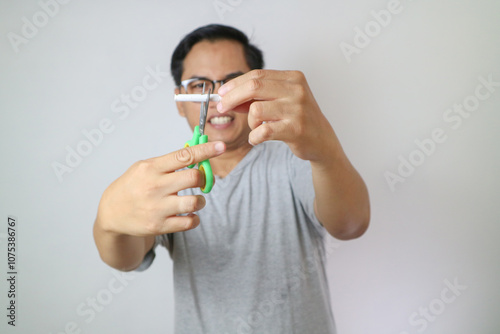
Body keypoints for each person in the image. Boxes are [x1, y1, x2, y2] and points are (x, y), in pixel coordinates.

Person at [93, 24, 370, 333]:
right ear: (180, 99)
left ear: (256, 90)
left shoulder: (297, 159)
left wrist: (326, 151)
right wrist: (108, 225)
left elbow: (350, 224)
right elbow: (126, 258)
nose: (216, 99)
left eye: (232, 83)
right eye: (200, 86)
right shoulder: (167, 181)